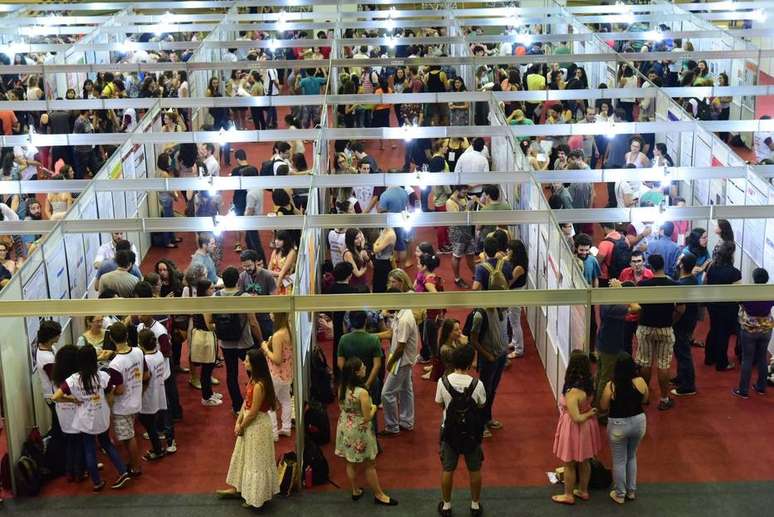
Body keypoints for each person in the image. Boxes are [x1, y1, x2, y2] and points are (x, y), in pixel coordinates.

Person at [52, 345, 131, 491]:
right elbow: (112, 388)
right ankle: (123, 471)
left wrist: (73, 400)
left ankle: (97, 482)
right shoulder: (101, 376)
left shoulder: (74, 379)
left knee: (89, 448)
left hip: (85, 418)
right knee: (107, 444)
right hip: (101, 415)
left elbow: (55, 396)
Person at [216, 349, 280, 509]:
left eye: (247, 361)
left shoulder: (259, 385)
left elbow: (254, 412)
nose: (244, 363)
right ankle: (239, 488)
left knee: (255, 461)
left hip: (256, 426)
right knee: (244, 456)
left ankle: (255, 496)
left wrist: (241, 425)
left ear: (254, 364)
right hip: (250, 423)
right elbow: (246, 403)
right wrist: (239, 421)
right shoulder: (254, 380)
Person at [335, 357, 397, 506]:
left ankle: (355, 490)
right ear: (356, 372)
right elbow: (367, 416)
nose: (365, 368)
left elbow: (342, 407)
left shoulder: (342, 388)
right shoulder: (361, 392)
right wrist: (374, 407)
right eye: (362, 367)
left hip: (345, 426)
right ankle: (379, 495)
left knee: (350, 461)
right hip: (360, 430)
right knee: (370, 464)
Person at [435, 345, 486, 517]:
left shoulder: (443, 382)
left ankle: (447, 505)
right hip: (471, 433)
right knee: (475, 468)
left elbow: (439, 403)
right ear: (470, 363)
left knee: (448, 469)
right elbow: (481, 405)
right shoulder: (477, 384)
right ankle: (475, 505)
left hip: (449, 432)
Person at [206, 267, 262, 415]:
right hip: (245, 341)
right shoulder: (244, 297)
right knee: (254, 373)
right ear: (238, 280)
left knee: (231, 374)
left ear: (223, 280)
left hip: (226, 343)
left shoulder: (215, 297)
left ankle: (237, 406)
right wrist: (261, 340)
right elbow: (253, 322)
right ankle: (256, 402)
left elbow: (210, 321)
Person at [632, 255, 684, 411]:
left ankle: (644, 396)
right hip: (665, 328)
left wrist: (640, 323)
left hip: (646, 327)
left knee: (645, 362)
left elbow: (637, 308)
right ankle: (664, 398)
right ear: (663, 266)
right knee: (664, 364)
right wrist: (671, 321)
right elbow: (681, 309)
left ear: (651, 268)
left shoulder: (642, 284)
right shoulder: (674, 285)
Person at [551, 350, 601, 505]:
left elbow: (577, 417)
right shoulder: (589, 383)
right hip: (588, 428)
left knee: (569, 463)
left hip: (574, 428)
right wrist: (590, 413)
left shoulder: (573, 392)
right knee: (584, 461)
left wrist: (588, 414)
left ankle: (568, 494)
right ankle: (583, 490)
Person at [599, 353, 648, 505]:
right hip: (638, 422)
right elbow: (646, 399)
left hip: (618, 425)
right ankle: (631, 491)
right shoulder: (640, 381)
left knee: (619, 460)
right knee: (632, 455)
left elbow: (603, 406)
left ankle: (620, 493)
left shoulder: (611, 386)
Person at [106, 322, 145, 477]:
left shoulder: (115, 364)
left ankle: (136, 467)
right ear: (127, 335)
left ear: (110, 338)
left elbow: (119, 390)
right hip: (136, 399)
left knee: (128, 438)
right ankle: (134, 463)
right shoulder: (138, 352)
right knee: (131, 433)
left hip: (122, 406)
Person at [379, 288, 420, 437]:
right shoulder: (401, 313)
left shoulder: (404, 319)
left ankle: (392, 426)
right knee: (405, 390)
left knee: (386, 393)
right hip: (405, 359)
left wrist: (390, 363)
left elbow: (400, 347)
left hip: (401, 361)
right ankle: (406, 421)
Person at [733, 268, 774, 398]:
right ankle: (761, 387)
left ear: (754, 278)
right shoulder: (770, 291)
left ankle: (743, 390)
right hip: (766, 329)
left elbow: (740, 303)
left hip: (749, 329)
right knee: (762, 358)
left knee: (747, 359)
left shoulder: (748, 292)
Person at [337, 311, 383, 425]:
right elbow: (377, 365)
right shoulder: (374, 340)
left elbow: (340, 363)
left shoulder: (343, 339)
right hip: (371, 382)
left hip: (350, 384)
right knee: (371, 413)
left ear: (350, 322)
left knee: (350, 412)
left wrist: (350, 378)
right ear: (366, 321)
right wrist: (367, 383)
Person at [704, 241, 742, 371]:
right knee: (723, 334)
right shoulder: (734, 272)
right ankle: (722, 363)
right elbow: (738, 294)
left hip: (712, 304)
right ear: (731, 255)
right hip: (727, 307)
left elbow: (706, 283)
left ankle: (709, 358)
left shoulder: (712, 267)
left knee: (714, 329)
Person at [51, 345, 83, 482]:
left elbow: (56, 396)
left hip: (63, 414)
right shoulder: (76, 379)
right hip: (76, 415)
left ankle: (69, 472)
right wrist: (73, 399)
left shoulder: (56, 377)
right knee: (79, 445)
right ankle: (79, 472)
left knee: (70, 444)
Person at [261, 312, 294, 441]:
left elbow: (277, 359)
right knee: (285, 400)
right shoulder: (289, 330)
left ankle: (273, 433)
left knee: (270, 404)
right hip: (287, 373)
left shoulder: (278, 335)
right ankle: (286, 428)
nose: (270, 314)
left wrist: (265, 348)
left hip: (275, 374)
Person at [137, 329, 167, 461]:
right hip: (158, 392)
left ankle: (157, 449)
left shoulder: (146, 360)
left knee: (148, 425)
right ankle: (158, 446)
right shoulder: (159, 354)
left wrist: (138, 396)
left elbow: (145, 379)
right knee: (151, 423)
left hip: (148, 396)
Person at [36, 320, 63, 435]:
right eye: (58, 334)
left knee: (57, 424)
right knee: (59, 426)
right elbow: (56, 378)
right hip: (53, 395)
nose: (59, 336)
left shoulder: (48, 347)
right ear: (51, 337)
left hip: (54, 392)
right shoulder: (46, 358)